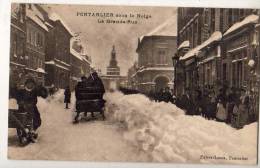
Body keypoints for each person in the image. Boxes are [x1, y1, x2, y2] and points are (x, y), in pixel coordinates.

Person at [12, 78, 48, 143]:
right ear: (26, 84)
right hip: (22, 108)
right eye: (29, 84)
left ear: (33, 85)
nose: (30, 85)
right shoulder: (21, 90)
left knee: (37, 121)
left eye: (32, 84)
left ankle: (31, 132)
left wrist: (42, 87)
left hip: (32, 107)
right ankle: (23, 135)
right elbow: (16, 95)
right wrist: (15, 87)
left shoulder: (34, 90)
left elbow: (44, 95)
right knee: (22, 121)